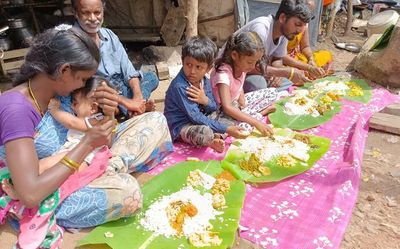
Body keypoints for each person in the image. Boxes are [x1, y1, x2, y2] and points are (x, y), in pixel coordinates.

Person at [0, 25, 172, 247]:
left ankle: (106, 169)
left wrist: (108, 112)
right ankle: (104, 174)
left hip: (81, 160)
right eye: (82, 78)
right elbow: (30, 194)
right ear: (63, 71)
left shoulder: (58, 91)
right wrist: (87, 144)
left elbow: (102, 140)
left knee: (155, 121)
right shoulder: (17, 110)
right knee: (128, 192)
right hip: (47, 188)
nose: (83, 84)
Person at [71, 0, 158, 117]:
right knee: (100, 102)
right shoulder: (73, 42)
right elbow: (88, 86)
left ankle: (135, 107)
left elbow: (129, 71)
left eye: (97, 12)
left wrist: (137, 97)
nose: (92, 18)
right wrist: (125, 101)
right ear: (76, 13)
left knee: (151, 77)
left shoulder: (109, 35)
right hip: (100, 92)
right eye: (86, 13)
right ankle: (131, 110)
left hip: (121, 85)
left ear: (103, 12)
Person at [164, 36, 247, 153]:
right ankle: (212, 139)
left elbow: (213, 106)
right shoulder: (180, 86)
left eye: (198, 67)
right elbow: (195, 117)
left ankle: (218, 136)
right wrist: (227, 129)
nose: (192, 71)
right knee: (204, 132)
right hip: (183, 126)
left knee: (230, 108)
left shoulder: (205, 81)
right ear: (182, 61)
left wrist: (205, 101)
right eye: (188, 65)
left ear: (208, 68)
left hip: (203, 118)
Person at [230, 0, 314, 92]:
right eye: (297, 24)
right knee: (259, 85)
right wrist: (283, 72)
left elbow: (277, 59)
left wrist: (278, 74)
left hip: (259, 70)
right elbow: (248, 65)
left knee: (289, 82)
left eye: (303, 26)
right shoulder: (261, 30)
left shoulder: (286, 33)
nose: (300, 30)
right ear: (282, 18)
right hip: (235, 71)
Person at [210, 31, 278, 137]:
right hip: (223, 111)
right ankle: (258, 115)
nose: (253, 66)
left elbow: (239, 84)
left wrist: (241, 96)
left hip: (236, 103)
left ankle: (251, 115)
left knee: (273, 92)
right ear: (234, 55)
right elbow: (227, 107)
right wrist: (256, 123)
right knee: (241, 129)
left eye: (256, 62)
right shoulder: (223, 74)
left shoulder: (242, 66)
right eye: (250, 62)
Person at [282, 0, 333, 79]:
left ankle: (311, 72)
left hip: (297, 57)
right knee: (294, 72)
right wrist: (308, 67)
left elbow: (305, 47)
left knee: (326, 55)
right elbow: (281, 56)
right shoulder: (286, 26)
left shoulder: (304, 26)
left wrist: (311, 59)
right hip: (285, 60)